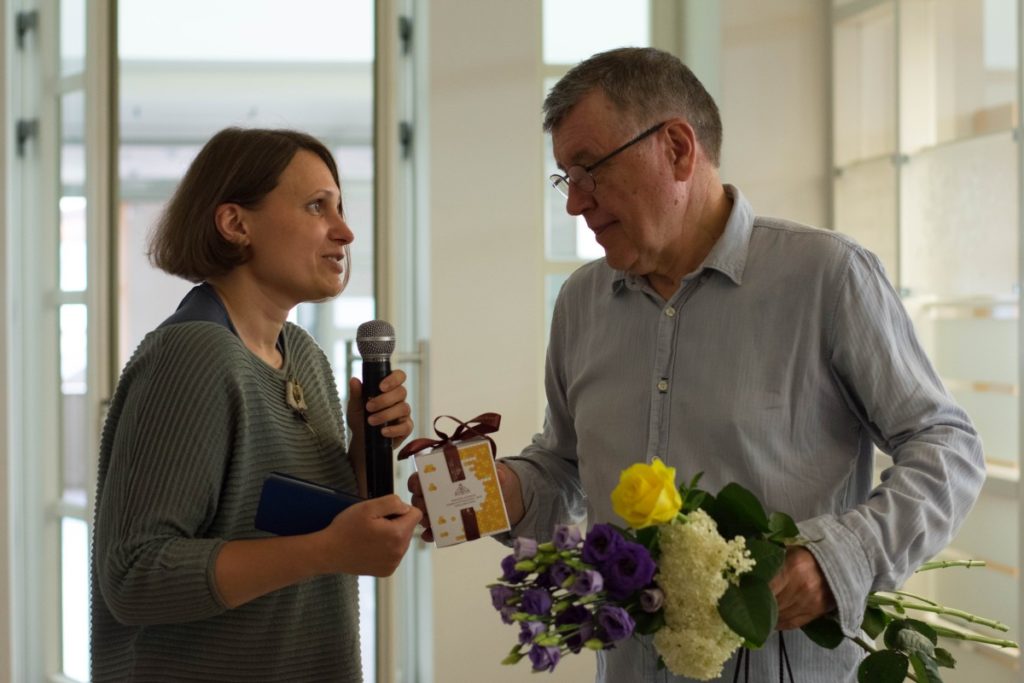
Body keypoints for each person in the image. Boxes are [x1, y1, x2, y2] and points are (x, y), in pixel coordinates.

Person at [409, 48, 986, 682]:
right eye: (564, 178)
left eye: (588, 170)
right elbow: (565, 465)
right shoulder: (581, 302)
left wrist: (842, 557)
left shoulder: (826, 277)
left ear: (677, 149)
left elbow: (946, 446)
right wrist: (485, 491)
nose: (574, 203)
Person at [91, 127, 422, 682]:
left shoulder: (305, 358)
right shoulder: (192, 355)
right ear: (235, 223)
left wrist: (369, 456)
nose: (344, 232)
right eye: (318, 206)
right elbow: (135, 575)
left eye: (339, 208)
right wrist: (325, 550)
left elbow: (309, 531)